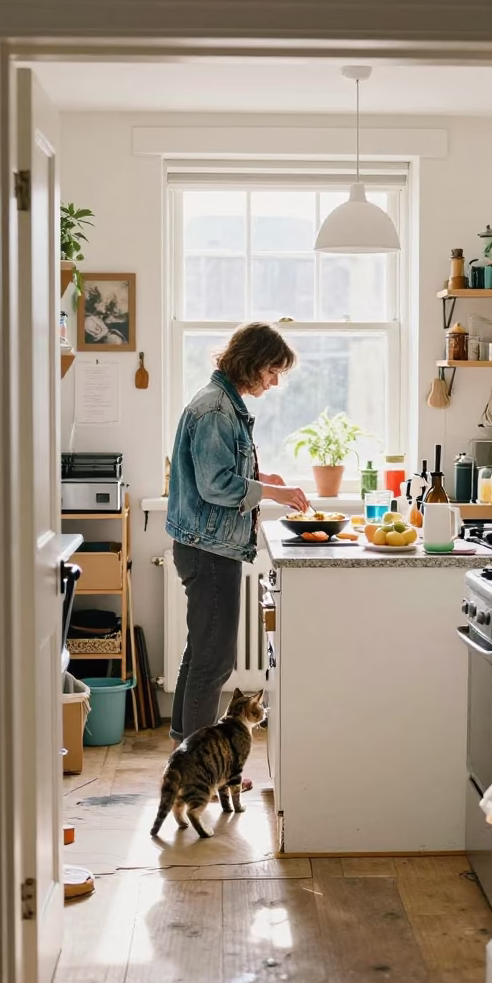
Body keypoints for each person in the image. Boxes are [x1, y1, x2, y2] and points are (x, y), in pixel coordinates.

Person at [165, 322, 310, 788]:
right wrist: (273, 492)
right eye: (272, 371)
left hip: (205, 546)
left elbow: (222, 472)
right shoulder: (215, 410)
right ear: (251, 362)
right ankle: (198, 771)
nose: (274, 382)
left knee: (200, 656)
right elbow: (216, 486)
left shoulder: (222, 403)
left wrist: (266, 481)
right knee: (213, 662)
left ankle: (184, 757)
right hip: (209, 550)